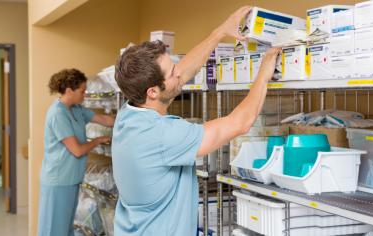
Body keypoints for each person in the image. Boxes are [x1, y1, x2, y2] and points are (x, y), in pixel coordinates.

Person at [112, 6, 280, 235]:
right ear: (152, 91)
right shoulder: (162, 135)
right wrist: (264, 71)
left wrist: (221, 31)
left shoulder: (129, 112)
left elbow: (183, 71)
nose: (178, 73)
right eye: (172, 73)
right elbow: (240, 123)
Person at [37, 68, 115, 236]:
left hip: (71, 178)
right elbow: (77, 150)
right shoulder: (58, 114)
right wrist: (97, 141)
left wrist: (128, 119)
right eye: (82, 91)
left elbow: (104, 120)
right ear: (68, 90)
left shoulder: (77, 109)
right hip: (58, 181)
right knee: (53, 229)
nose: (84, 94)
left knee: (65, 228)